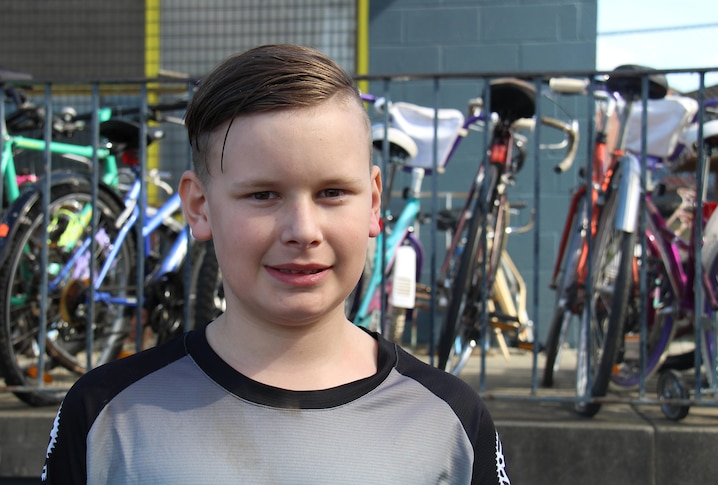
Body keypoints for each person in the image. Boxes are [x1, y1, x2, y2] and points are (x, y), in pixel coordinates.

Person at [40, 43, 511, 484]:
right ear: (199, 206)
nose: (303, 230)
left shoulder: (448, 423)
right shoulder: (107, 415)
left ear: (373, 201)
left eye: (331, 193)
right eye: (263, 195)